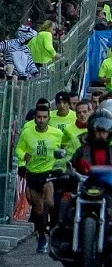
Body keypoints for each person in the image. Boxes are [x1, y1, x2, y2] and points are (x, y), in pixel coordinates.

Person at [15, 100, 67, 252]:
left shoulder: (57, 133)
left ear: (49, 118)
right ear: (35, 118)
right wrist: (24, 156)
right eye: (39, 117)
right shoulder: (27, 133)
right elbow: (19, 149)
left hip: (48, 172)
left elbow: (63, 151)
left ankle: (55, 230)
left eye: (45, 117)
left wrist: (61, 164)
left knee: (50, 202)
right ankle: (41, 234)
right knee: (38, 210)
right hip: (33, 174)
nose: (42, 120)